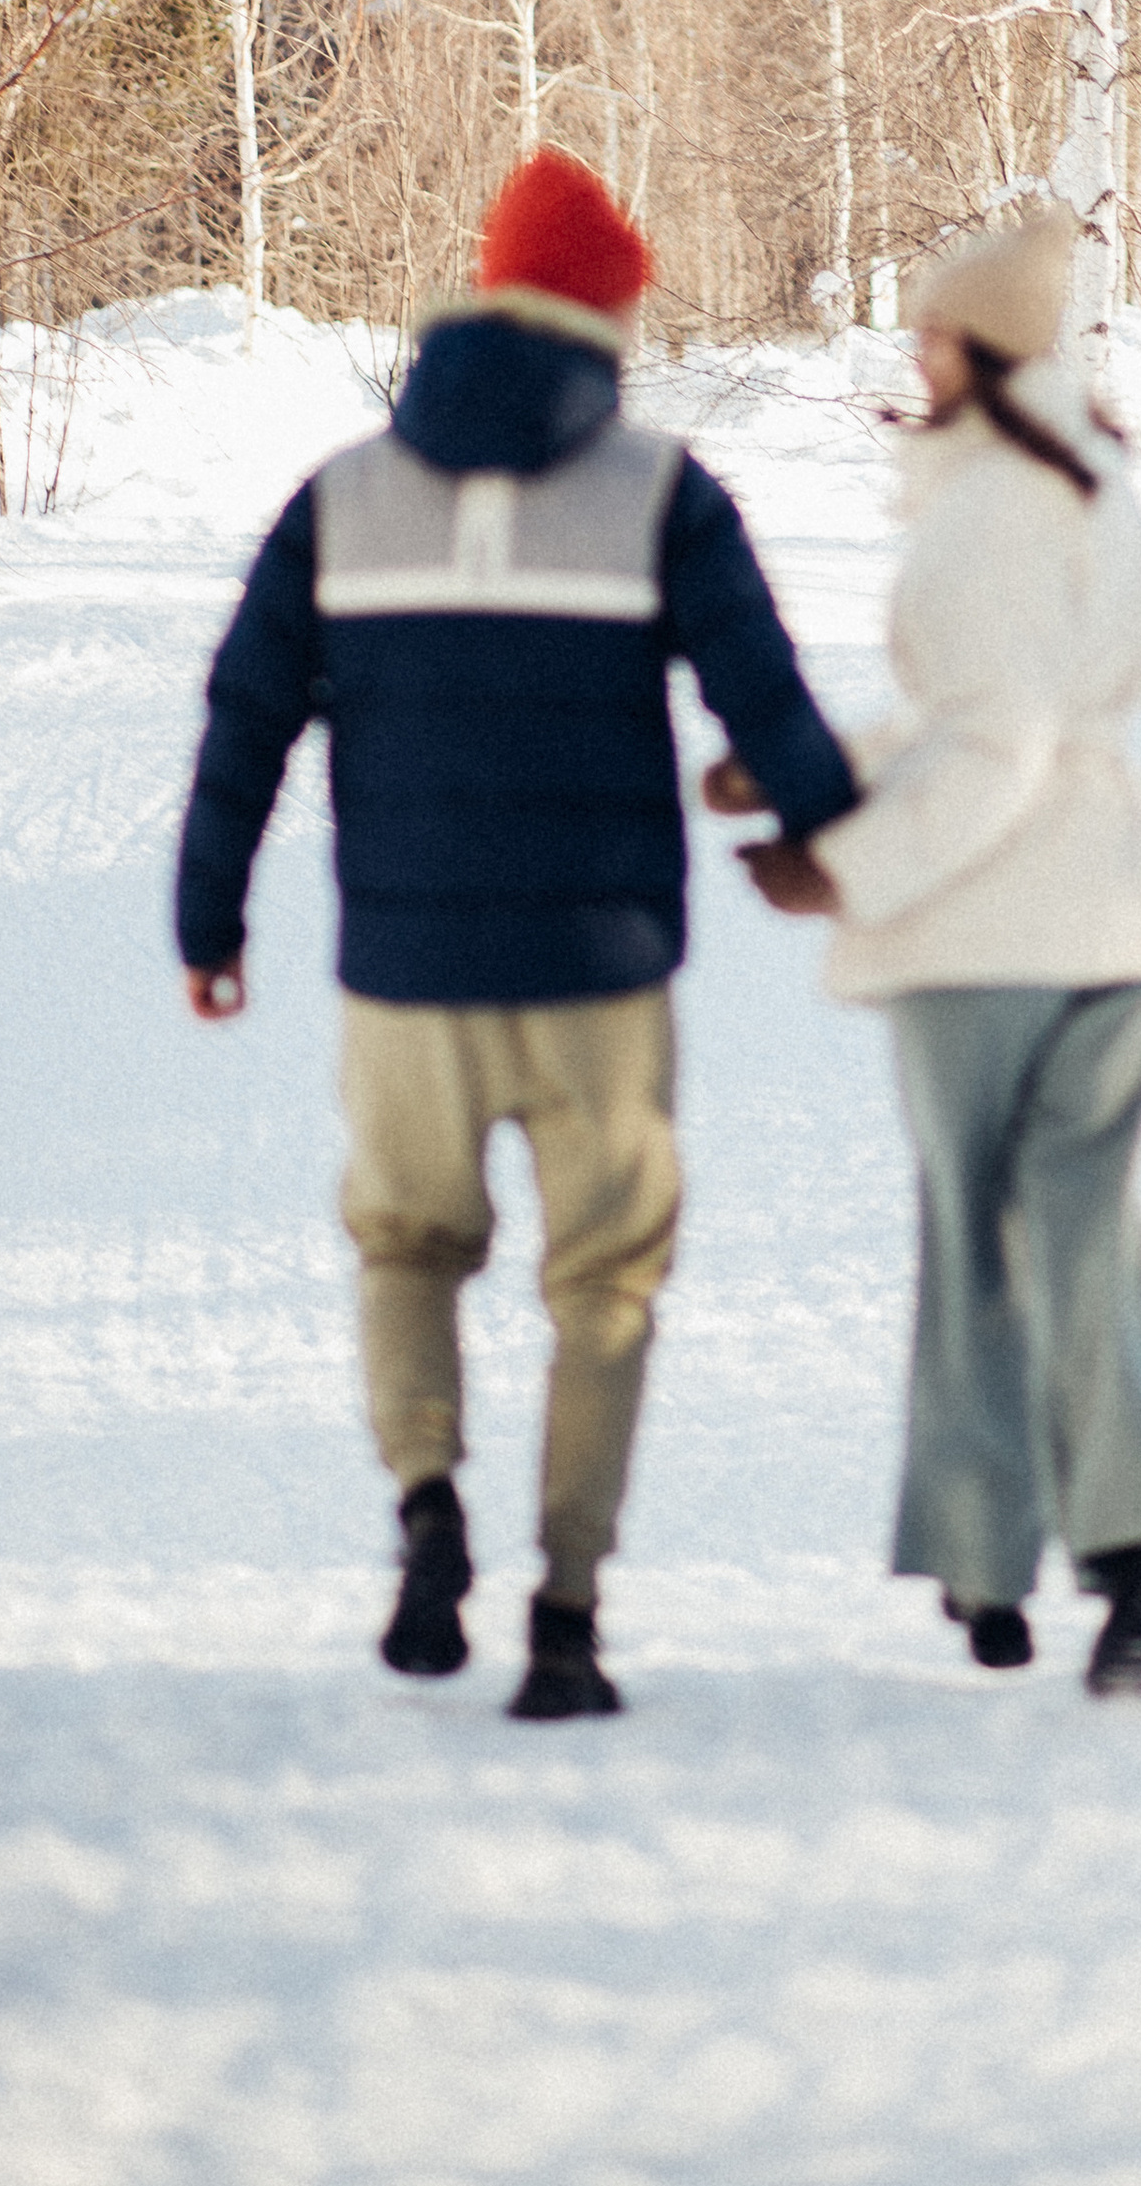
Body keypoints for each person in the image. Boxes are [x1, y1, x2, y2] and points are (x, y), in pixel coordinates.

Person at [174, 149, 859, 1722]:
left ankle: (428, 1511)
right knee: (603, 1282)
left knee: (405, 1246)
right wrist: (843, 851)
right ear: (608, 325)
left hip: (404, 985)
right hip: (599, 977)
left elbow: (245, 721)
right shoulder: (662, 495)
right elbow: (769, 702)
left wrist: (208, 916)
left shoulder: (339, 499)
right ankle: (563, 1615)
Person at [724, 200, 1141, 1696]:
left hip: (990, 933)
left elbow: (994, 746)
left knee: (982, 1242)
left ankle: (992, 1553)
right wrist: (831, 764)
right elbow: (1025, 717)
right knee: (1083, 1230)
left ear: (991, 352)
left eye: (937, 332)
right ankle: (1137, 1546)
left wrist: (842, 862)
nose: (916, 353)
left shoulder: (991, 506)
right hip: (1114, 906)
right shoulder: (1089, 484)